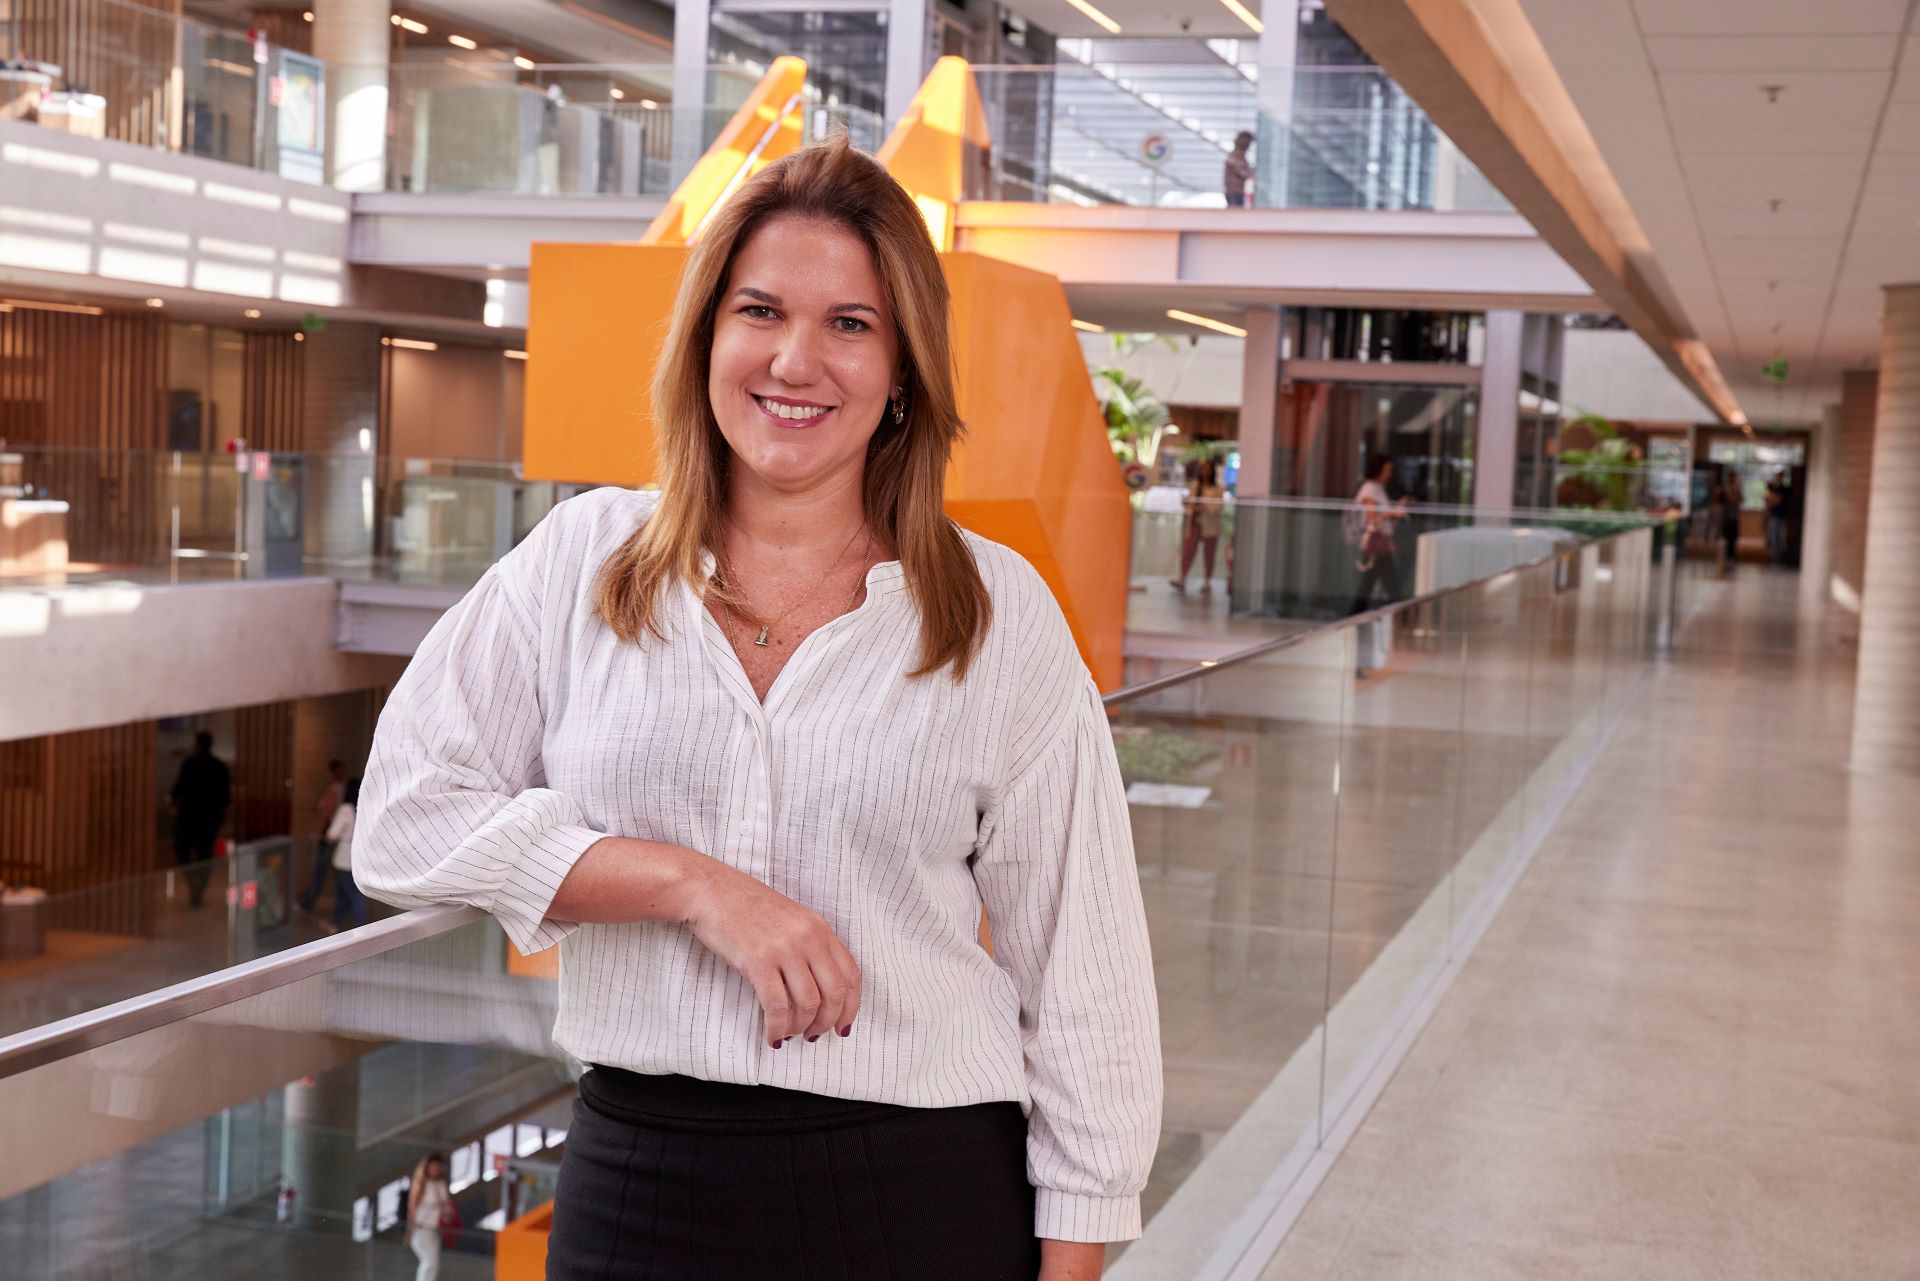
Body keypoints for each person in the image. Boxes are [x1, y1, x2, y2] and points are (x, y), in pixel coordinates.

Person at [354, 138, 1161, 1281]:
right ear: (708, 339)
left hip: (921, 1201)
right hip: (638, 1192)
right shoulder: (582, 562)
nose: (797, 359)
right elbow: (403, 818)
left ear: (901, 371)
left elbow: (1087, 982)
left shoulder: (995, 614)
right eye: (762, 310)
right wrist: (690, 886)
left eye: (850, 323)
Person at [167, 731, 229, 908]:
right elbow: (225, 798)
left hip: (188, 818)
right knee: (205, 856)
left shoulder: (190, 764)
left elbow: (176, 790)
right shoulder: (220, 767)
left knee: (182, 849)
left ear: (198, 744)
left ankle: (192, 880)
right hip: (209, 821)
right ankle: (199, 887)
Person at [1348, 452, 1408, 615]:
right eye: (1387, 469)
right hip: (1374, 543)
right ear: (1378, 469)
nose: (1389, 474)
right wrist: (1393, 513)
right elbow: (1373, 518)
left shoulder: (1378, 489)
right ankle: (1402, 615)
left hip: (1379, 543)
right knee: (1388, 584)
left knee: (1370, 584)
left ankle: (1354, 615)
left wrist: (1394, 512)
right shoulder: (1369, 490)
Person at [1170, 455, 1227, 593]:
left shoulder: (1218, 488)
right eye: (1203, 469)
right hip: (1195, 523)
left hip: (1210, 525)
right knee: (1188, 551)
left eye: (1208, 469)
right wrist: (1188, 504)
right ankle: (1182, 578)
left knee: (1209, 553)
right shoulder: (1196, 485)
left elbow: (1217, 507)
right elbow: (1191, 502)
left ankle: (1207, 582)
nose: (1205, 472)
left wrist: (1204, 506)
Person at [297, 759, 346, 913]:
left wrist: (316, 833)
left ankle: (308, 902)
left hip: (328, 837)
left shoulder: (334, 790)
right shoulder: (344, 789)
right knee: (337, 874)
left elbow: (325, 815)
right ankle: (341, 906)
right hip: (338, 836)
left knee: (319, 871)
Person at [325, 777, 365, 930]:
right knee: (343, 891)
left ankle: (363, 928)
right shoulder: (365, 807)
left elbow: (332, 834)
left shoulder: (346, 810)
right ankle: (334, 922)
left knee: (353, 894)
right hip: (358, 855)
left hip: (344, 856)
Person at [407, 1152, 454, 1281]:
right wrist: (411, 1227)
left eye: (437, 1166)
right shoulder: (421, 1183)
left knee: (434, 1263)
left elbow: (446, 1206)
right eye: (432, 1166)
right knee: (429, 1261)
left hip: (434, 1228)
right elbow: (413, 1206)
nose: (435, 1169)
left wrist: (447, 1214)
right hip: (421, 1227)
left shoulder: (441, 1184)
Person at [1764, 469, 1790, 565]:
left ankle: (1778, 558)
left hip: (1781, 516)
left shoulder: (1784, 489)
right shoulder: (1773, 488)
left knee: (1779, 538)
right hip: (1774, 515)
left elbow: (1776, 501)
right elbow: (1769, 501)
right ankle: (1774, 557)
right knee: (1773, 537)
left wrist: (1773, 500)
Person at [1223, 129, 1254, 207]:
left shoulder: (1240, 158)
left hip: (1238, 192)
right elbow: (1242, 172)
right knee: (1235, 212)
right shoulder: (1234, 157)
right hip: (1234, 193)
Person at [1720, 472, 1743, 567]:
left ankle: (1732, 556)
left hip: (1735, 517)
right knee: (1727, 537)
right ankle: (1726, 556)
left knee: (1734, 537)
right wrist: (1735, 499)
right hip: (1726, 517)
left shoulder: (1737, 489)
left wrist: (1737, 497)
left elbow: (1740, 499)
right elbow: (1732, 501)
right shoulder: (1726, 488)